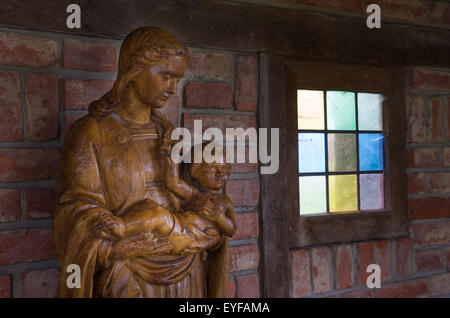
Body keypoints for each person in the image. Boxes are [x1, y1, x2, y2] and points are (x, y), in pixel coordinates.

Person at [53, 26, 230, 298]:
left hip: (183, 264)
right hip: (128, 272)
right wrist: (112, 249)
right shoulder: (90, 133)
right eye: (166, 76)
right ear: (134, 70)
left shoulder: (167, 133)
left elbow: (185, 193)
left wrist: (211, 226)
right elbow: (74, 213)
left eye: (177, 79)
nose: (172, 89)